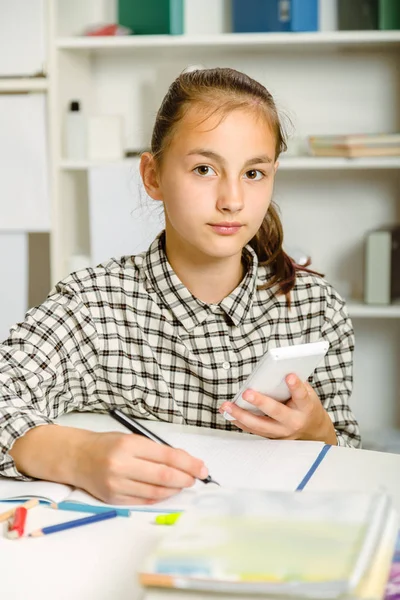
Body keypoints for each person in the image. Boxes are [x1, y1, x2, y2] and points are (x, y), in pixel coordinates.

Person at [0, 68, 360, 506]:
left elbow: (351, 461)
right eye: (204, 169)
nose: (232, 200)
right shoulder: (93, 307)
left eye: (254, 173)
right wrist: (78, 454)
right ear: (153, 176)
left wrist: (318, 431)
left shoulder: (316, 309)